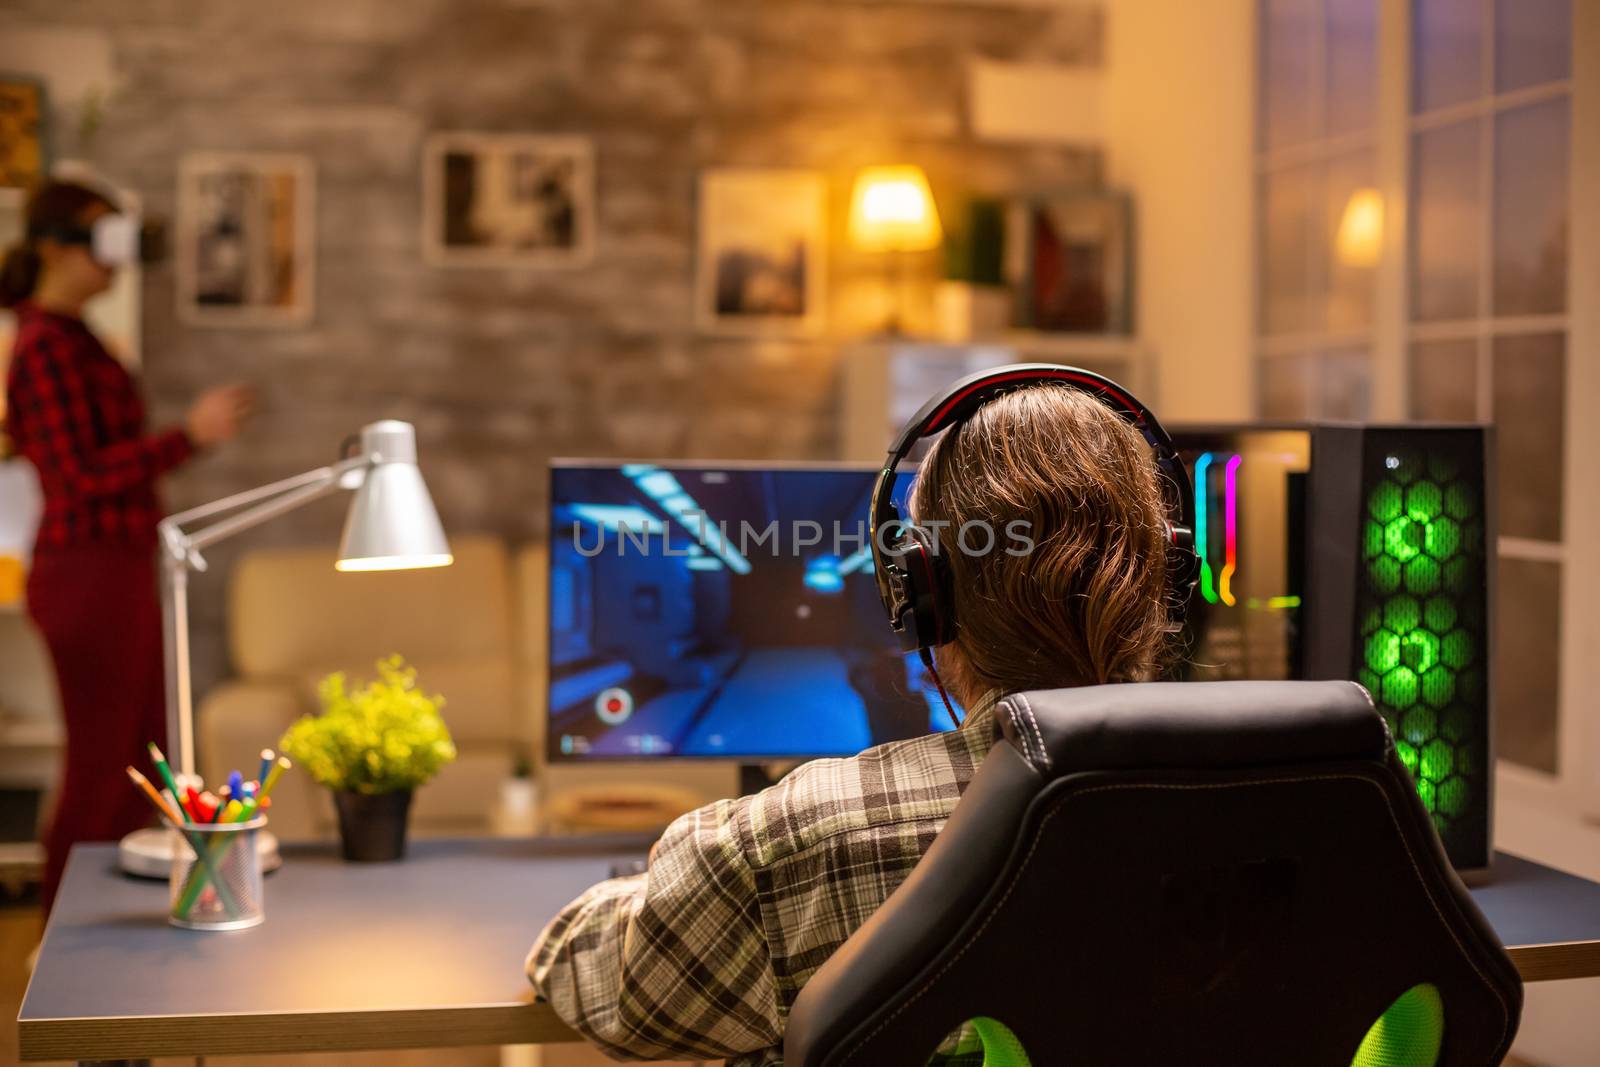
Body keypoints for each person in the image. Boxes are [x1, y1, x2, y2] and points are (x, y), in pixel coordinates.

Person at [527, 384, 1176, 1064]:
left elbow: (588, 972)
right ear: (1167, 577)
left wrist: (655, 879)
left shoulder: (790, 843)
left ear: (922, 595)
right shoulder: (1274, 806)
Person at [1, 180, 254, 919]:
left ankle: (119, 938)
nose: (113, 260)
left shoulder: (75, 335)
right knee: (102, 769)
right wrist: (189, 437)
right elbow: (76, 477)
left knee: (141, 761)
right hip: (85, 572)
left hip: (116, 562)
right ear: (55, 246)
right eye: (97, 239)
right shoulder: (45, 343)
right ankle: (66, 947)